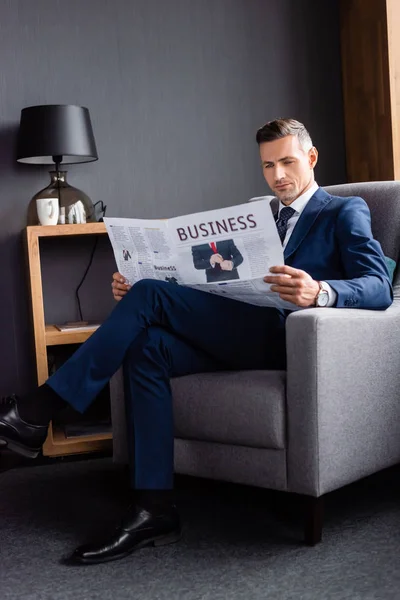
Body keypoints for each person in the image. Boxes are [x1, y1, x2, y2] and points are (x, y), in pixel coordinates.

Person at [0, 118, 392, 565]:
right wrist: (147, 281)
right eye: (268, 165)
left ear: (311, 157)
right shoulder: (257, 215)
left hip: (289, 338)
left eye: (287, 161)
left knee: (149, 301)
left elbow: (378, 286)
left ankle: (36, 411)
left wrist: (320, 290)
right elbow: (213, 278)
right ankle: (153, 508)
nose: (278, 175)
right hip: (234, 326)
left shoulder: (344, 211)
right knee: (146, 343)